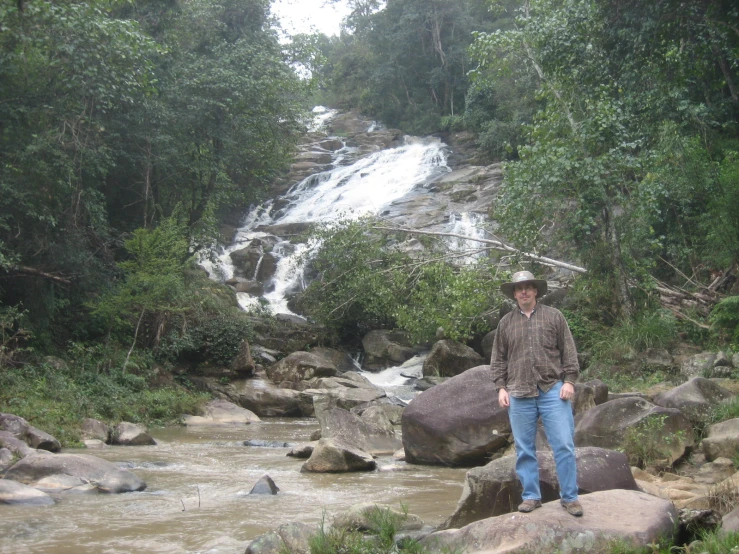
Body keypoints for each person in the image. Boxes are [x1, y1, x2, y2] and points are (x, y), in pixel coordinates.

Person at [490, 270, 583, 517]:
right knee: (524, 449)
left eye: (528, 287)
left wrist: (570, 381)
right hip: (519, 392)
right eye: (519, 288)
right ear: (514, 294)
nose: (523, 292)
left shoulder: (555, 317)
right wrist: (500, 387)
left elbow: (569, 352)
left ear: (536, 291)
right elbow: (498, 359)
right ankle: (531, 496)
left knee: (563, 444)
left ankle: (570, 498)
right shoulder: (506, 323)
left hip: (553, 389)